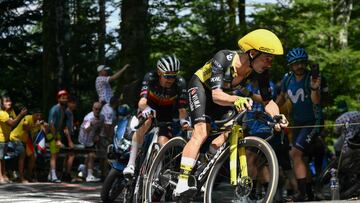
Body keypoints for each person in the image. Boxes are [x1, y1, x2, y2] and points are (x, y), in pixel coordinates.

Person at [173, 29, 289, 196]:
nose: (269, 64)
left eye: (272, 60)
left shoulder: (260, 71)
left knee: (230, 131)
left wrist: (277, 117)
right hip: (201, 88)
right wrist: (237, 100)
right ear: (253, 53)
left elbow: (268, 102)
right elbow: (216, 95)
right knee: (201, 132)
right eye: (267, 59)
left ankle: (203, 166)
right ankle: (182, 181)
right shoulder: (224, 58)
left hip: (224, 96)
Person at [123, 54, 189, 176]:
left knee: (164, 143)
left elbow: (182, 109)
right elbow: (142, 102)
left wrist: (184, 121)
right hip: (149, 109)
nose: (170, 79)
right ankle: (131, 164)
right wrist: (146, 108)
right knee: (145, 123)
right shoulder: (150, 77)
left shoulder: (180, 83)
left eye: (173, 76)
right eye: (167, 76)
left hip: (166, 115)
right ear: (159, 72)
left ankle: (156, 175)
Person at [276, 48, 328, 201]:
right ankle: (310, 191)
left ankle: (302, 193)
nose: (299, 66)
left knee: (295, 154)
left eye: (301, 63)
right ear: (290, 66)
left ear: (306, 63)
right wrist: (270, 112)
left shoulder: (312, 78)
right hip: (297, 123)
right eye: (295, 64)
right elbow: (281, 98)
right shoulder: (287, 79)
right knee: (301, 158)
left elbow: (317, 101)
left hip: (313, 122)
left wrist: (313, 87)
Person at [9, 108, 46, 183]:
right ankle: (21, 177)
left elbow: (41, 132)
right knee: (22, 154)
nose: (39, 117)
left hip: (26, 140)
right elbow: (25, 127)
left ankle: (28, 175)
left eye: (40, 116)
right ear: (33, 114)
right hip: (16, 137)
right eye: (37, 115)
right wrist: (36, 125)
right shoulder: (27, 118)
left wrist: (45, 127)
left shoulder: (38, 123)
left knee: (34, 156)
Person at [0, 95, 27, 183]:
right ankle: (0, 177)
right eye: (6, 101)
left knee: (2, 158)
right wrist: (21, 115)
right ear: (1, 103)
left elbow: (14, 122)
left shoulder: (10, 111)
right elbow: (12, 123)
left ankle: (4, 175)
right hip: (1, 138)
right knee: (0, 158)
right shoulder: (2, 113)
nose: (9, 103)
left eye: (10, 101)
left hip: (6, 138)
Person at [78, 102, 104, 182]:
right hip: (84, 140)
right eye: (96, 109)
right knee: (91, 155)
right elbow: (86, 129)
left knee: (90, 156)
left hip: (91, 140)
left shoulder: (102, 117)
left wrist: (97, 135)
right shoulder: (88, 118)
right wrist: (92, 124)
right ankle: (89, 175)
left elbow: (100, 127)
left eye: (99, 109)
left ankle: (84, 171)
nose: (97, 111)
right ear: (93, 109)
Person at [47, 90, 69, 182]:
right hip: (52, 134)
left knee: (56, 155)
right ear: (58, 99)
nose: (65, 100)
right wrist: (56, 138)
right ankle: (53, 176)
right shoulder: (54, 109)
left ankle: (50, 174)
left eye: (66, 98)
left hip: (57, 133)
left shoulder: (62, 109)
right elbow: (51, 124)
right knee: (53, 155)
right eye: (62, 98)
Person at [99, 96, 119, 178]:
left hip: (104, 134)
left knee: (104, 155)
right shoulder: (109, 111)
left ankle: (104, 173)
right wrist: (109, 137)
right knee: (106, 155)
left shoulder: (106, 106)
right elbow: (107, 125)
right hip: (105, 136)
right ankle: (104, 174)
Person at [61, 95, 77, 182]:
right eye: (72, 103)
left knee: (67, 155)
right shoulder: (67, 112)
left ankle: (64, 172)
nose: (74, 105)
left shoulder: (71, 112)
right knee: (71, 155)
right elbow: (65, 128)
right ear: (68, 103)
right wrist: (70, 141)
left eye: (75, 103)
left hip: (70, 135)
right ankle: (67, 174)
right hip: (67, 136)